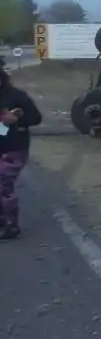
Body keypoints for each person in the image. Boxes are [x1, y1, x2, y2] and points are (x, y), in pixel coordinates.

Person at [0, 58, 43, 240]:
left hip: (13, 149)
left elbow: (36, 118)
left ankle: (11, 225)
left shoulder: (17, 97)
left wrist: (16, 119)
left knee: (3, 184)